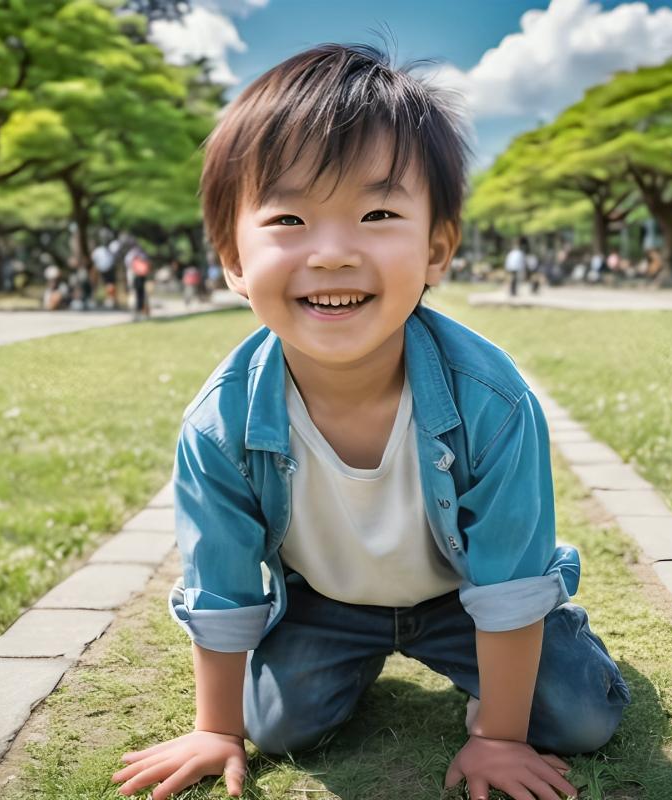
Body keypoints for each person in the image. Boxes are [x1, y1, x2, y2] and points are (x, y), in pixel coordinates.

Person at [111, 43, 628, 800]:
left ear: (436, 248)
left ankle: (541, 658)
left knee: (582, 718)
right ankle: (348, 668)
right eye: (288, 217)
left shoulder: (493, 401)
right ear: (232, 259)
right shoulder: (218, 425)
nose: (332, 253)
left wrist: (498, 738)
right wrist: (216, 729)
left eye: (378, 213)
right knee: (276, 726)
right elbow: (221, 585)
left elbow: (509, 583)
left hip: (464, 594)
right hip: (329, 606)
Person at [125, 243, 152, 320]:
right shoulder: (143, 254)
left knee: (135, 295)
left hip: (134, 277)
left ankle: (137, 313)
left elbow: (128, 265)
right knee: (142, 295)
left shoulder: (129, 255)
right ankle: (142, 313)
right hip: (140, 277)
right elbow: (147, 266)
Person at [92, 235, 119, 309]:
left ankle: (110, 299)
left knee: (108, 285)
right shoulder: (109, 249)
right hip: (106, 269)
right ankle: (109, 299)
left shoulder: (99, 250)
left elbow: (95, 260)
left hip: (103, 269)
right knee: (109, 284)